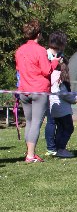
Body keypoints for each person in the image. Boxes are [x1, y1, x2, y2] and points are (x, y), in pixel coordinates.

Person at [14, 20, 60, 163]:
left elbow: (18, 69)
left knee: (29, 122)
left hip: (24, 90)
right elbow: (46, 71)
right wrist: (55, 62)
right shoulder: (40, 50)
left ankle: (30, 153)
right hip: (39, 90)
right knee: (36, 123)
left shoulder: (19, 50)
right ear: (38, 34)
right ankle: (30, 155)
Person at [47, 53, 77, 158]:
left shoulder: (51, 76)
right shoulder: (61, 78)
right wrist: (76, 97)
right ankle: (61, 148)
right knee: (68, 128)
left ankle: (57, 149)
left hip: (54, 108)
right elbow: (64, 94)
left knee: (60, 129)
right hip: (63, 110)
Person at [43, 32, 68, 156]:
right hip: (50, 91)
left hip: (59, 92)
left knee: (60, 123)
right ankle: (51, 147)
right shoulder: (45, 54)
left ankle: (58, 147)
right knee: (51, 121)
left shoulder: (61, 55)